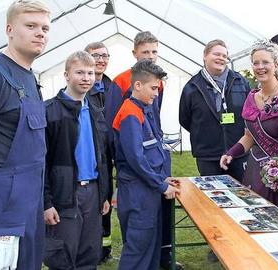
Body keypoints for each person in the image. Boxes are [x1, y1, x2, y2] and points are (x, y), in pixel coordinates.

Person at [109, 31, 181, 270]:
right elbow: (135, 158)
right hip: (139, 189)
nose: (156, 93)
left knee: (149, 245)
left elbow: (151, 144)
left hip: (147, 185)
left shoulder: (141, 107)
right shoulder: (130, 112)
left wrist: (161, 177)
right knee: (138, 248)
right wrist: (160, 184)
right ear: (137, 85)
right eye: (153, 88)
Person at [0, 1, 50, 269]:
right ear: (9, 29)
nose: (40, 33)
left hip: (30, 208)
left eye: (45, 28)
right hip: (1, 214)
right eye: (31, 26)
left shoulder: (30, 78)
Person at [43, 51, 110, 269]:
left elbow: (102, 158)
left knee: (89, 254)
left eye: (90, 73)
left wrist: (104, 195)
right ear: (66, 75)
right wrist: (46, 203)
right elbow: (41, 164)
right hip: (65, 194)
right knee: (63, 256)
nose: (86, 78)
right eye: (79, 72)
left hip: (92, 193)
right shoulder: (50, 112)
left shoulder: (96, 111)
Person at [220, 41, 278, 212]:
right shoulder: (252, 97)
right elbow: (249, 136)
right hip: (255, 171)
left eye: (265, 62)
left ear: (276, 65)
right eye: (256, 63)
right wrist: (231, 153)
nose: (260, 67)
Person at [179, 39, 251, 182]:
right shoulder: (192, 86)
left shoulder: (240, 81)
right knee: (213, 197)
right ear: (205, 55)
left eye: (224, 56)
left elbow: (249, 112)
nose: (221, 58)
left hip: (237, 153)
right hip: (208, 156)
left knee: (243, 196)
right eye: (216, 54)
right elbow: (185, 119)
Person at [84, 41, 114, 264]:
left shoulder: (112, 87)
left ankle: (105, 247)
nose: (101, 60)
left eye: (105, 56)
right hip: (91, 154)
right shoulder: (83, 87)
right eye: (96, 56)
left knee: (106, 199)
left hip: (109, 153)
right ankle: (90, 247)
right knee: (91, 201)